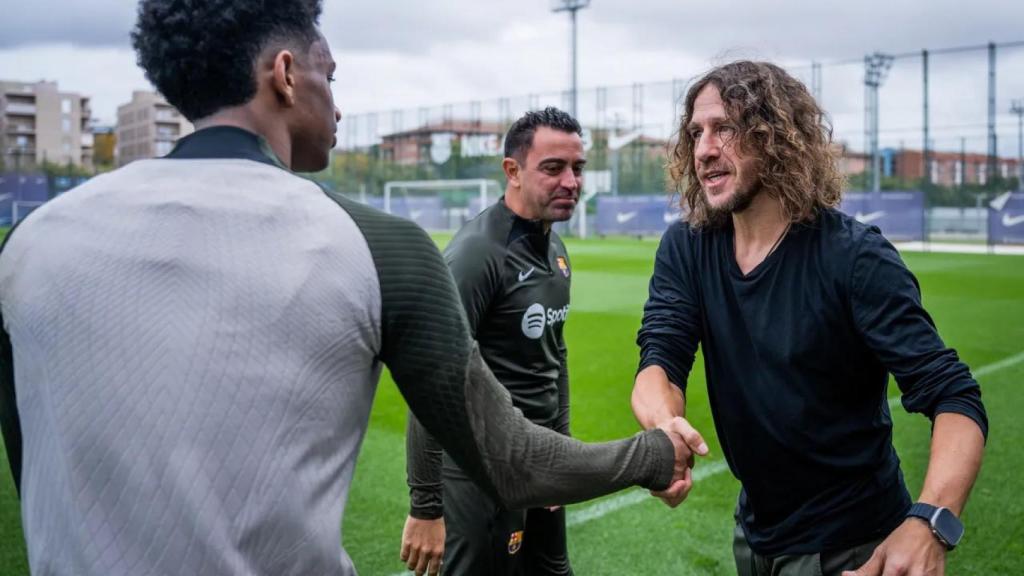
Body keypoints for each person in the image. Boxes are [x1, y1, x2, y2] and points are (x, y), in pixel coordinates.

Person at [0, 2, 697, 575]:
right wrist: (655, 452)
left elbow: (32, 473)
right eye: (329, 74)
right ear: (284, 74)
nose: (337, 103)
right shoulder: (380, 246)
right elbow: (512, 461)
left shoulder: (30, 245)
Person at [631, 60, 987, 576]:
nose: (704, 148)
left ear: (776, 137)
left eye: (725, 128)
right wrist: (666, 427)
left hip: (854, 545)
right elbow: (659, 358)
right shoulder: (687, 247)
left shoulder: (854, 257)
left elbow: (954, 396)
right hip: (755, 534)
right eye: (696, 133)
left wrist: (931, 521)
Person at [401, 108, 586, 576]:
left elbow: (554, 356)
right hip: (482, 467)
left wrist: (561, 452)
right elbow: (431, 378)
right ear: (513, 171)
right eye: (553, 168)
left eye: (577, 168)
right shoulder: (476, 255)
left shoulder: (556, 249)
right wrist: (426, 505)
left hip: (542, 456)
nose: (570, 181)